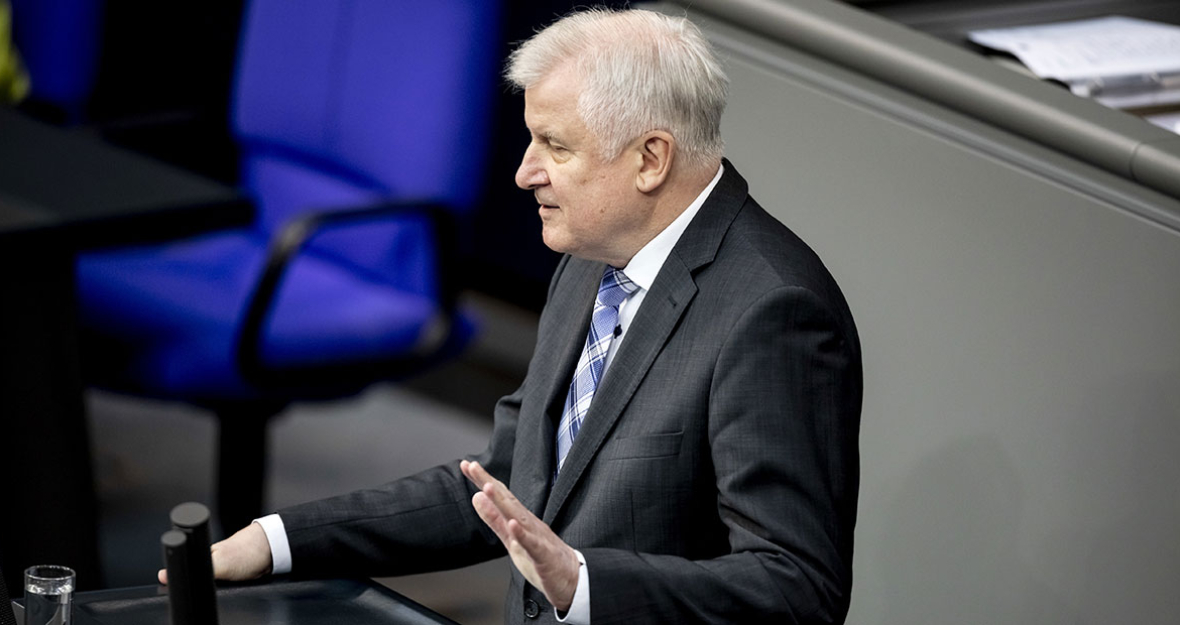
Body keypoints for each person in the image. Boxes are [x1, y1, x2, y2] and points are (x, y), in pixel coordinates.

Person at [162, 8, 863, 624]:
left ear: (651, 159)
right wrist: (278, 539)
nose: (526, 172)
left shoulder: (774, 313)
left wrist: (585, 585)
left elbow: (796, 587)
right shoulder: (592, 255)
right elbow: (509, 480)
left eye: (556, 146)